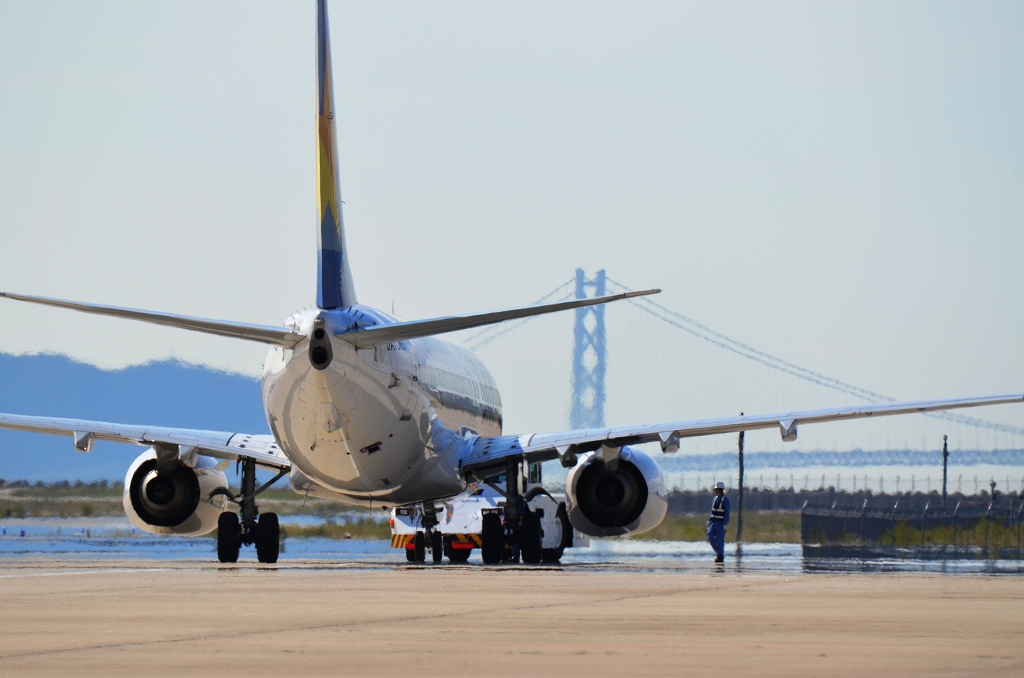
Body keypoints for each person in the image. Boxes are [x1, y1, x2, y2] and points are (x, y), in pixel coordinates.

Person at [706, 481, 730, 563]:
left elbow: (727, 513)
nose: (716, 491)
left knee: (720, 541)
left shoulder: (725, 500)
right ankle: (718, 553)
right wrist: (709, 520)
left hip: (720, 523)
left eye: (716, 489)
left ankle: (720, 556)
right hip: (713, 522)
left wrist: (725, 523)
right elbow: (712, 511)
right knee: (710, 537)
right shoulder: (714, 499)